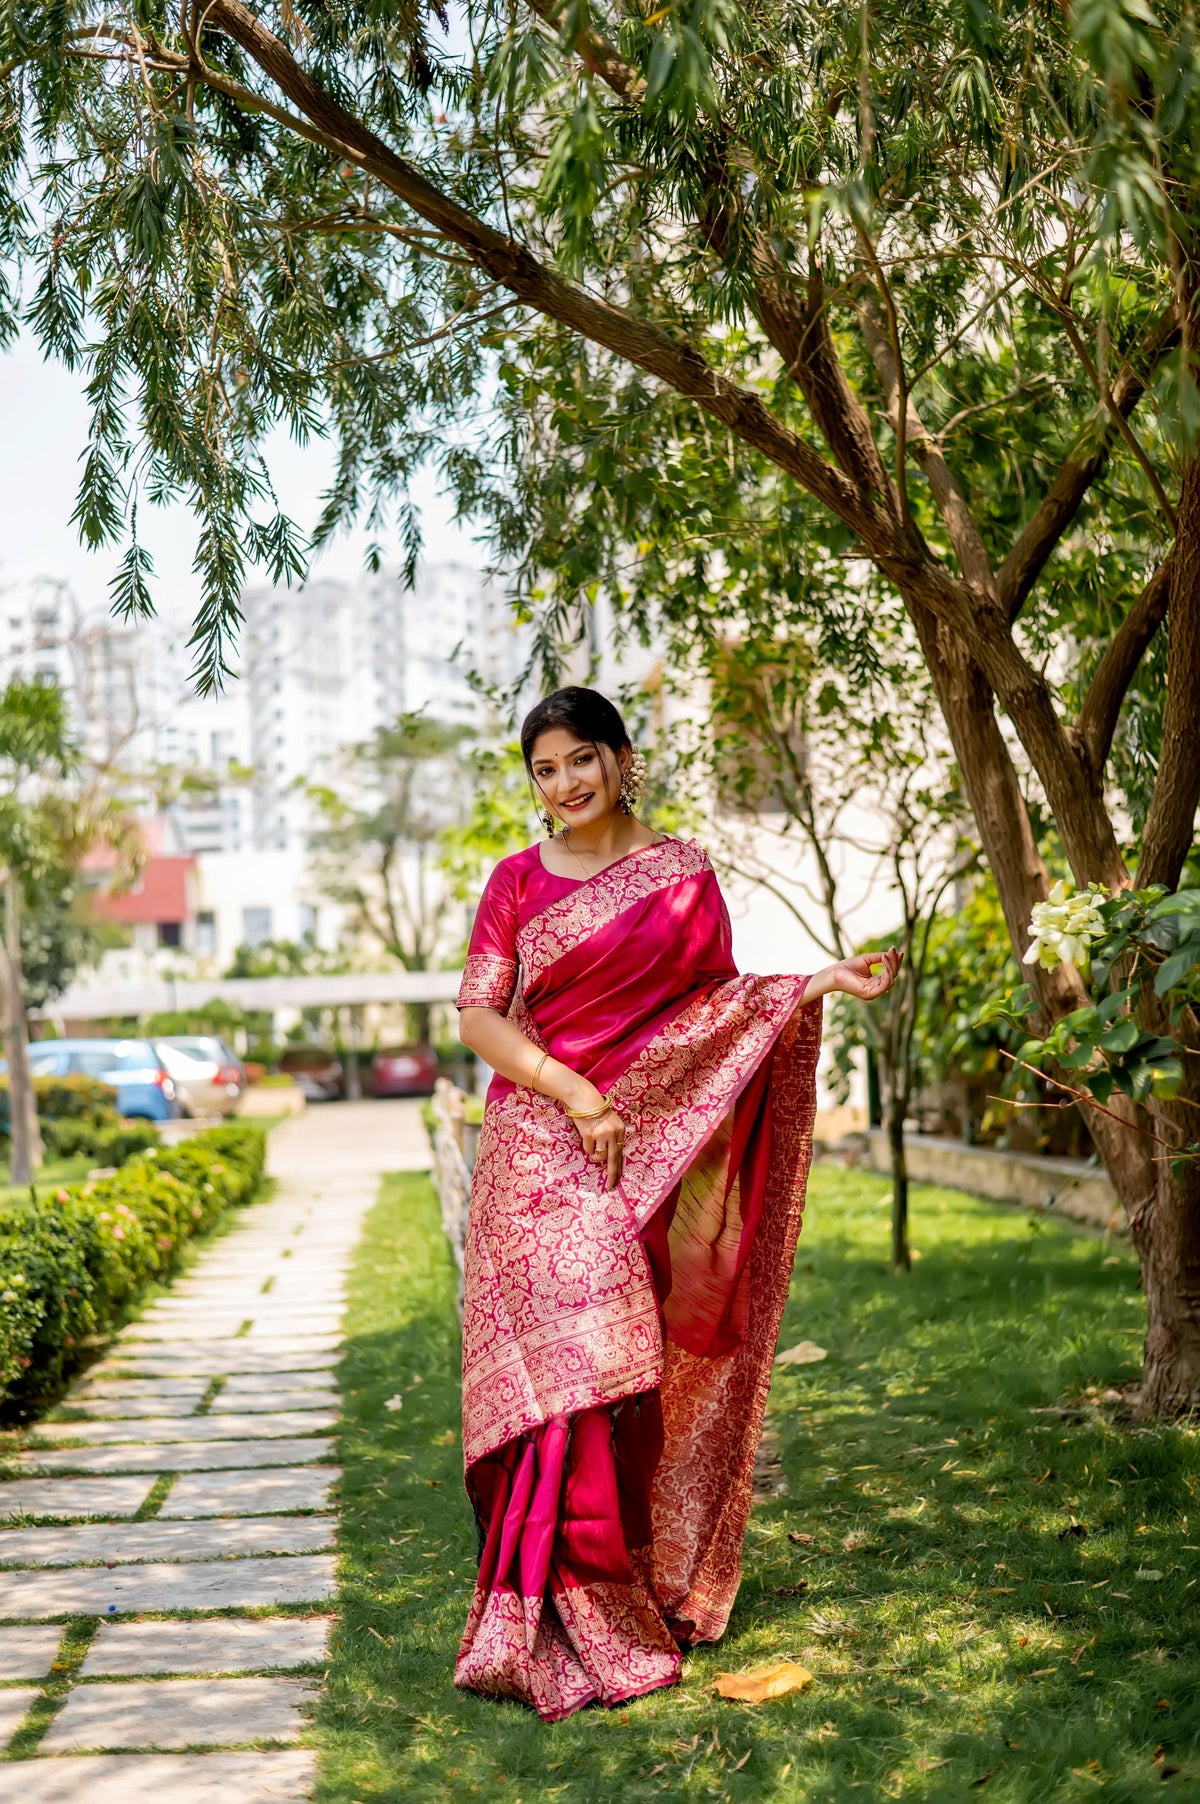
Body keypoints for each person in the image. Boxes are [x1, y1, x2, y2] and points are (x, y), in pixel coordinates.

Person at [454, 686, 900, 1722]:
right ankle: (538, 1607)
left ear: (621, 756)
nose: (565, 784)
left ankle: (612, 1586)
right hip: (537, 1143)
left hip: (625, 1154)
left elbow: (711, 1011)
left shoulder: (683, 873)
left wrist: (813, 984)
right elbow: (480, 1014)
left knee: (611, 1362)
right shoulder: (516, 880)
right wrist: (577, 1092)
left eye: (580, 759)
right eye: (544, 770)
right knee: (557, 1378)